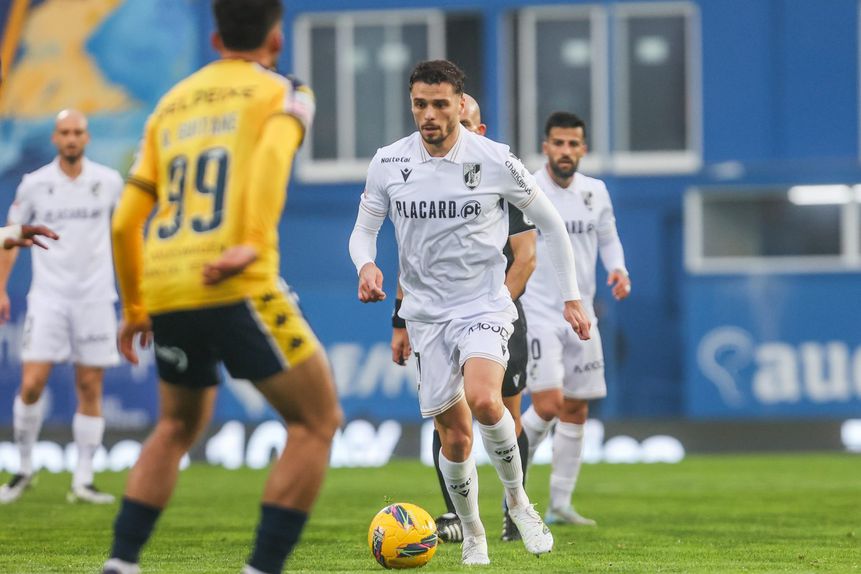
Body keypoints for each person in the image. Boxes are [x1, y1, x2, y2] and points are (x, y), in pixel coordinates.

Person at [101, 1, 342, 573]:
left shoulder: (170, 104)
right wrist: (252, 241)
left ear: (215, 39)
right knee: (316, 421)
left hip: (166, 282)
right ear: (276, 39)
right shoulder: (284, 92)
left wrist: (135, 305)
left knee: (175, 425)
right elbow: (273, 156)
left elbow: (124, 220)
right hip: (233, 277)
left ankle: (121, 562)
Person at [350, 59, 591, 566]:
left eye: (440, 104)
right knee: (455, 440)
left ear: (460, 105)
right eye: (420, 104)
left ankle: (520, 503)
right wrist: (366, 264)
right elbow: (364, 231)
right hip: (426, 316)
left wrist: (571, 296)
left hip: (483, 304)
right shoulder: (388, 162)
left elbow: (550, 223)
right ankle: (474, 532)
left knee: (485, 400)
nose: (429, 115)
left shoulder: (495, 158)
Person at [390, 93, 537, 544]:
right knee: (449, 413)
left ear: (479, 128)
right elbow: (413, 261)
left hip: (496, 310)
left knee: (504, 410)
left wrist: (491, 309)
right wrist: (399, 321)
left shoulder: (501, 174)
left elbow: (526, 257)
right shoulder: (424, 179)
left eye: (466, 123)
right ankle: (457, 516)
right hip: (437, 316)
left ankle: (514, 508)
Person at [0, 109, 123, 505]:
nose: (71, 138)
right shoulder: (35, 184)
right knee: (31, 384)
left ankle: (83, 480)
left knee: (90, 385)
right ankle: (23, 469)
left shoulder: (109, 182)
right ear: (55, 138)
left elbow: (127, 235)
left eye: (77, 132)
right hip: (48, 298)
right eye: (64, 132)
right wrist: (1, 289)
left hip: (95, 297)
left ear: (87, 138)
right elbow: (11, 236)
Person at [519, 111, 631, 527]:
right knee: (548, 404)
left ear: (583, 148)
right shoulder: (526, 188)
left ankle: (559, 505)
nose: (565, 151)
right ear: (545, 146)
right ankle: (511, 472)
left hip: (582, 314)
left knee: (577, 409)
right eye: (558, 143)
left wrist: (618, 269)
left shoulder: (595, 192)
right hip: (538, 312)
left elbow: (608, 238)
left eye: (573, 144)